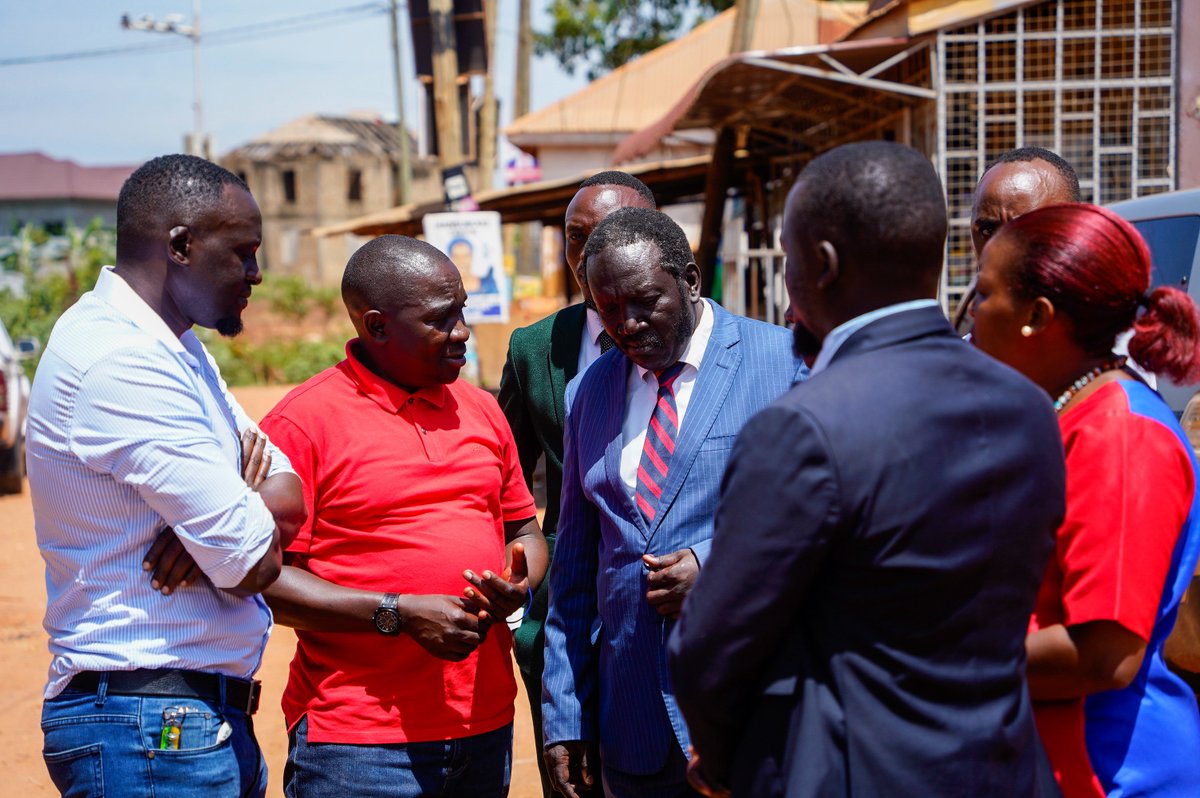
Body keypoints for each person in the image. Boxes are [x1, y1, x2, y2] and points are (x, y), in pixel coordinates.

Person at [668, 141, 1067, 798]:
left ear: (821, 266)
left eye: (789, 262)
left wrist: (719, 763)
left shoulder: (802, 427)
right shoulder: (1026, 405)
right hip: (1004, 771)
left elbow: (711, 649)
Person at [27, 154, 306, 797]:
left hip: (179, 722)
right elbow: (253, 564)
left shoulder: (173, 346)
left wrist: (213, 521)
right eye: (243, 253)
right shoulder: (120, 360)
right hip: (148, 727)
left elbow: (288, 494)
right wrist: (227, 523)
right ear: (181, 245)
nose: (257, 275)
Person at [256, 234, 548, 798]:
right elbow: (267, 581)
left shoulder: (482, 409)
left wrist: (521, 584)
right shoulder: (303, 424)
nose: (462, 330)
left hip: (482, 724)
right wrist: (397, 613)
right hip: (359, 742)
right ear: (377, 326)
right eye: (443, 319)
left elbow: (524, 530)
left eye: (462, 309)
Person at [542, 207, 804, 798]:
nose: (626, 325)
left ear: (689, 280)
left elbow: (827, 518)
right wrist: (567, 717)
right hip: (632, 728)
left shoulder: (785, 363)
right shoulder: (590, 391)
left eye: (643, 302)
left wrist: (715, 564)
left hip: (752, 713)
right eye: (607, 310)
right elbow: (576, 573)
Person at [969, 202, 1200, 797]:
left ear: (1037, 316)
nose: (971, 315)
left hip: (1110, 771)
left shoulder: (1121, 433)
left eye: (983, 295)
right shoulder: (1069, 414)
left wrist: (930, 659)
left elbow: (1105, 653)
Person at [498, 171, 656, 797]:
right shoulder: (538, 347)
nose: (589, 254)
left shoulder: (714, 342)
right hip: (567, 612)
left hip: (668, 599)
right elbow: (502, 473)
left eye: (609, 234)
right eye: (575, 238)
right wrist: (524, 567)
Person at [953, 146, 1081, 333]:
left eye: (1025, 232)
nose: (1000, 252)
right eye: (988, 230)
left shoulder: (1121, 349)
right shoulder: (959, 358)